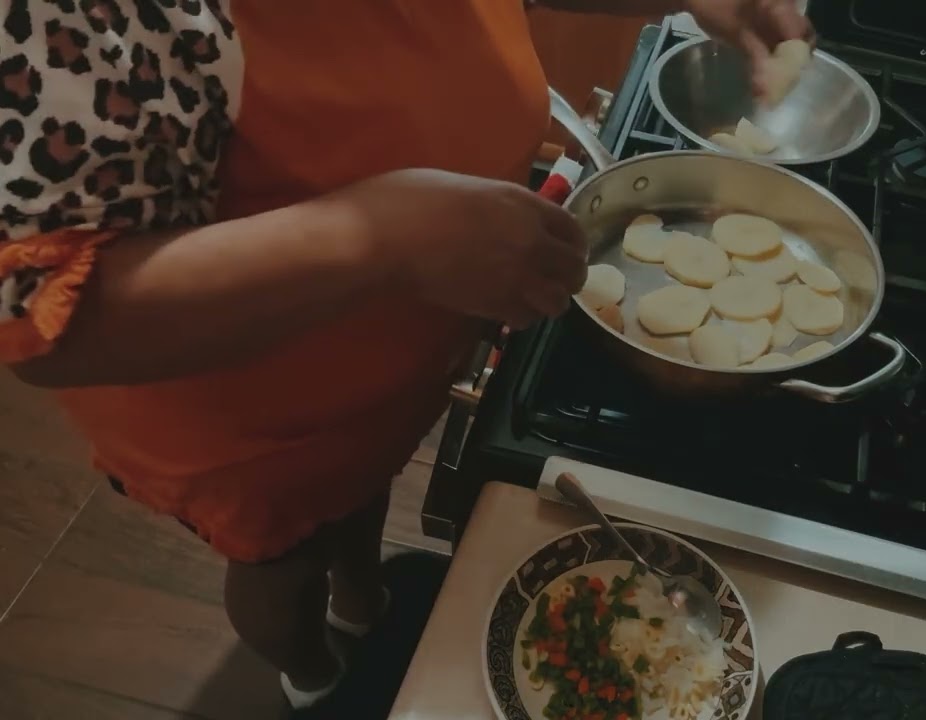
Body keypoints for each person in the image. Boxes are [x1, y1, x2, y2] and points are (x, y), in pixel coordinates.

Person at [0, 0, 810, 711]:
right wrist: (376, 237)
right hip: (253, 419)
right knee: (283, 559)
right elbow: (49, 306)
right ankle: (312, 675)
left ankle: (366, 601)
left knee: (362, 488)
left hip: (394, 349)